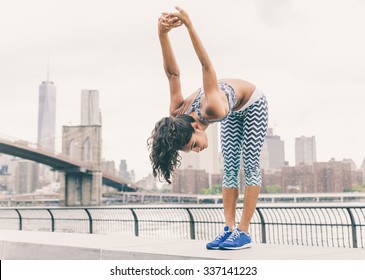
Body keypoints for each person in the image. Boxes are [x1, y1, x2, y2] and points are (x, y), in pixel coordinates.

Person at [148, 7, 268, 250]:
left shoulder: (212, 108)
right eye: (191, 150)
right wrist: (162, 35)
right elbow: (172, 74)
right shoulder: (178, 114)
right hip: (233, 110)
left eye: (194, 145)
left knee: (250, 165)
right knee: (230, 167)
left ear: (196, 126)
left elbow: (206, 66)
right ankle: (230, 229)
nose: (198, 150)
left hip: (253, 103)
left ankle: (243, 232)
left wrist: (190, 26)